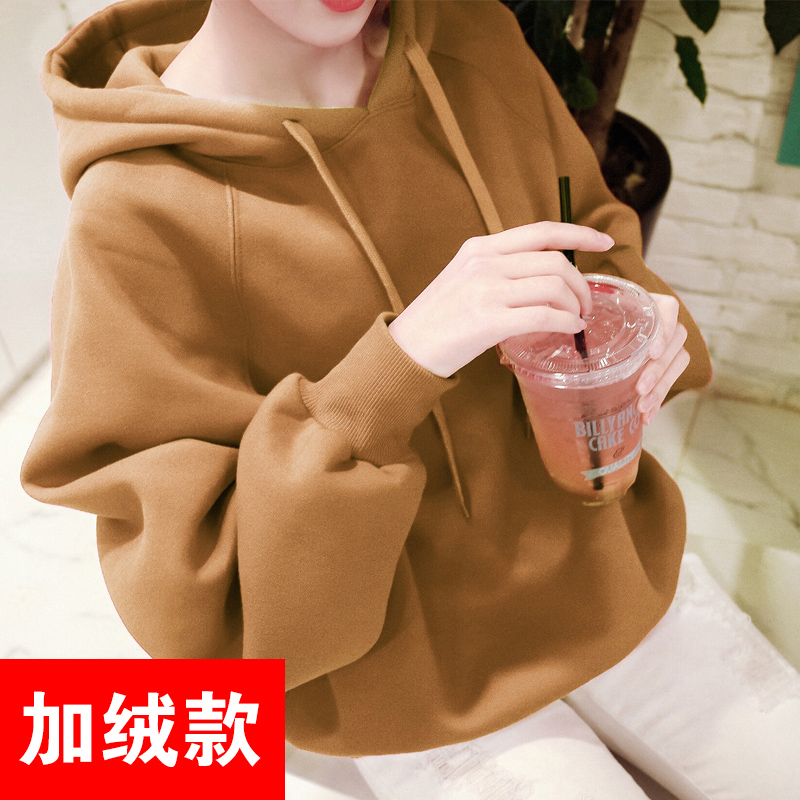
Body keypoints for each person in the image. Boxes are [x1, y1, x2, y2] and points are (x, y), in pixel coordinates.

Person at [22, 1, 800, 797]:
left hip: (604, 562)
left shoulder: (469, 35)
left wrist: (633, 316)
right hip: (397, 672)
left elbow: (589, 227)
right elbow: (201, 593)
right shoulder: (135, 209)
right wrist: (397, 368)